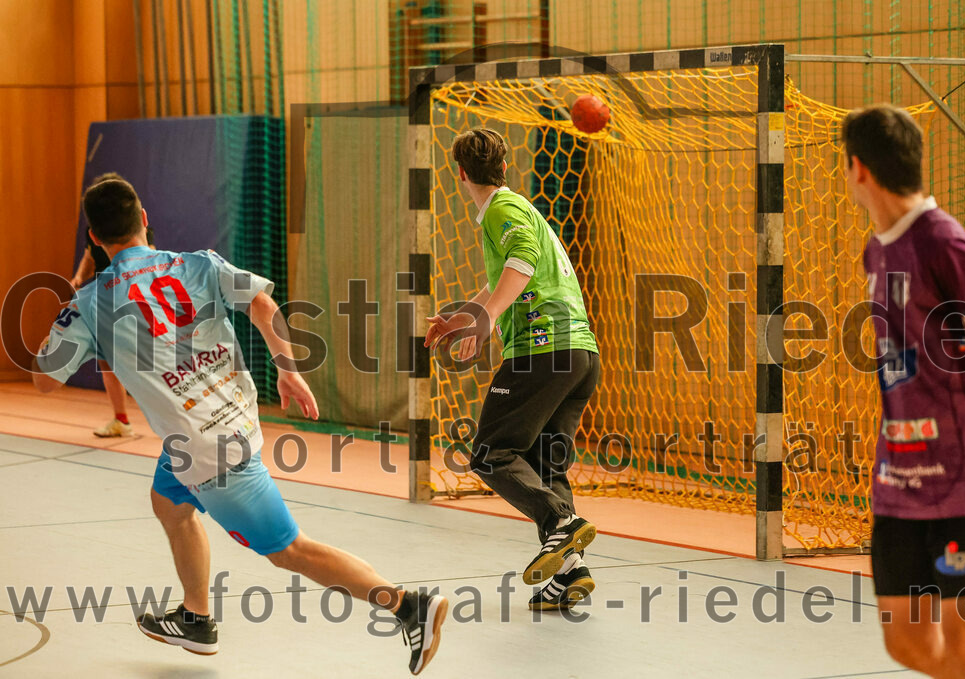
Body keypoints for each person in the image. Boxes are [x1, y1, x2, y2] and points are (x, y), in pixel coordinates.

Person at [33, 178, 446, 675]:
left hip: (209, 452)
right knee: (169, 502)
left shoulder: (91, 303)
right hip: (227, 419)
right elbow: (263, 304)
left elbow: (42, 381)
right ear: (145, 219)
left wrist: (71, 305)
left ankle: (406, 605)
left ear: (95, 240)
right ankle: (196, 618)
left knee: (290, 550)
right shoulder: (200, 263)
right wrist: (288, 371)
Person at [844, 104, 965, 678]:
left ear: (857, 169)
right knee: (907, 644)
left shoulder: (945, 243)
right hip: (901, 480)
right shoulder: (877, 249)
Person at [424, 128, 601, 610]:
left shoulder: (502, 209)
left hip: (542, 351)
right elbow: (511, 275)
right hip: (580, 355)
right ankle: (569, 574)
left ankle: (561, 526)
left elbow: (520, 263)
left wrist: (485, 320)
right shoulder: (523, 209)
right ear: (504, 165)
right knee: (546, 464)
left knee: (490, 454)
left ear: (459, 173)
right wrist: (466, 316)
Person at [70, 171, 156, 438]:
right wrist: (78, 277)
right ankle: (121, 420)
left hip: (134, 301)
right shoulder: (93, 232)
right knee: (107, 362)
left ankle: (173, 414)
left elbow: (150, 256)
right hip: (105, 303)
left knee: (149, 360)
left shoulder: (138, 229)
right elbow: (88, 257)